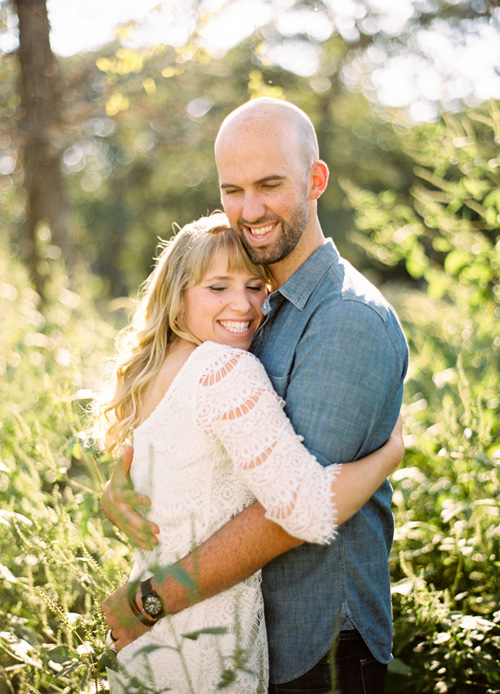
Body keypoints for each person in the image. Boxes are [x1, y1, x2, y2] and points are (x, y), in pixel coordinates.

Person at [101, 97, 409, 693]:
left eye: (270, 185)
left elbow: (290, 515)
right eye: (233, 191)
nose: (250, 210)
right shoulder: (254, 306)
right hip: (238, 642)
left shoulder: (342, 318)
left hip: (321, 648)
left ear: (315, 180)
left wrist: (149, 599)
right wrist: (127, 482)